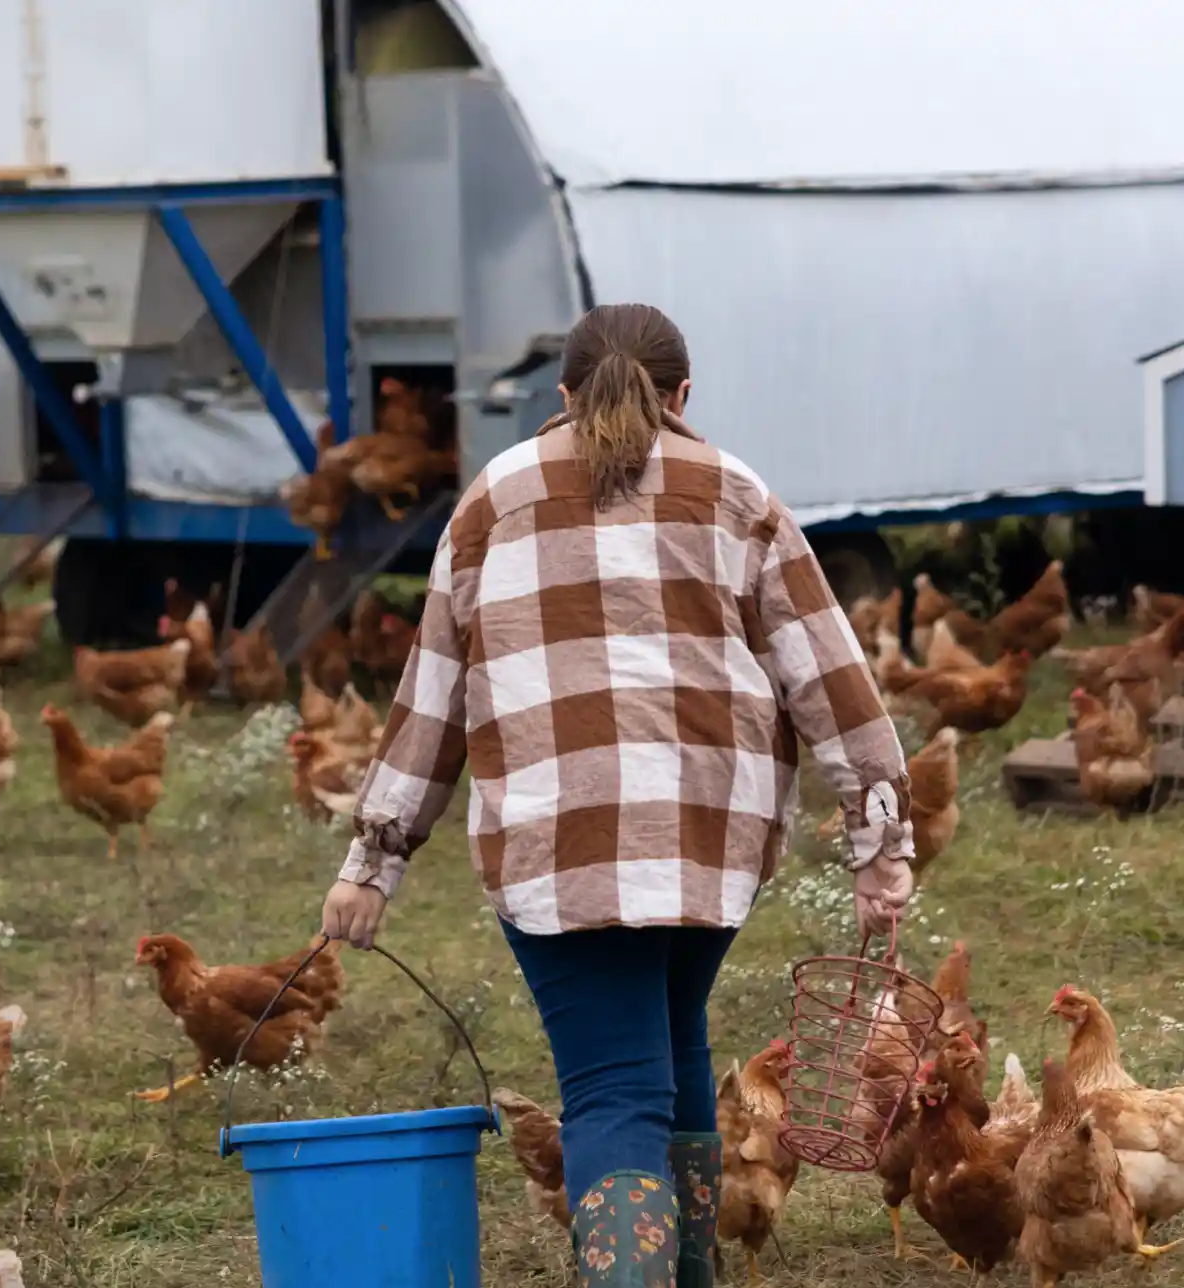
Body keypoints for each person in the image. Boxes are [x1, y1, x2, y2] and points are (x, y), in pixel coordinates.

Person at [319, 303, 914, 1288]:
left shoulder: (493, 497)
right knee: (670, 1058)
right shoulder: (737, 491)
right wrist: (879, 850)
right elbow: (830, 679)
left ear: (559, 397)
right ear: (683, 396)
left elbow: (433, 693)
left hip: (555, 839)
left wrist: (371, 863)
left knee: (612, 1088)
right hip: (709, 843)